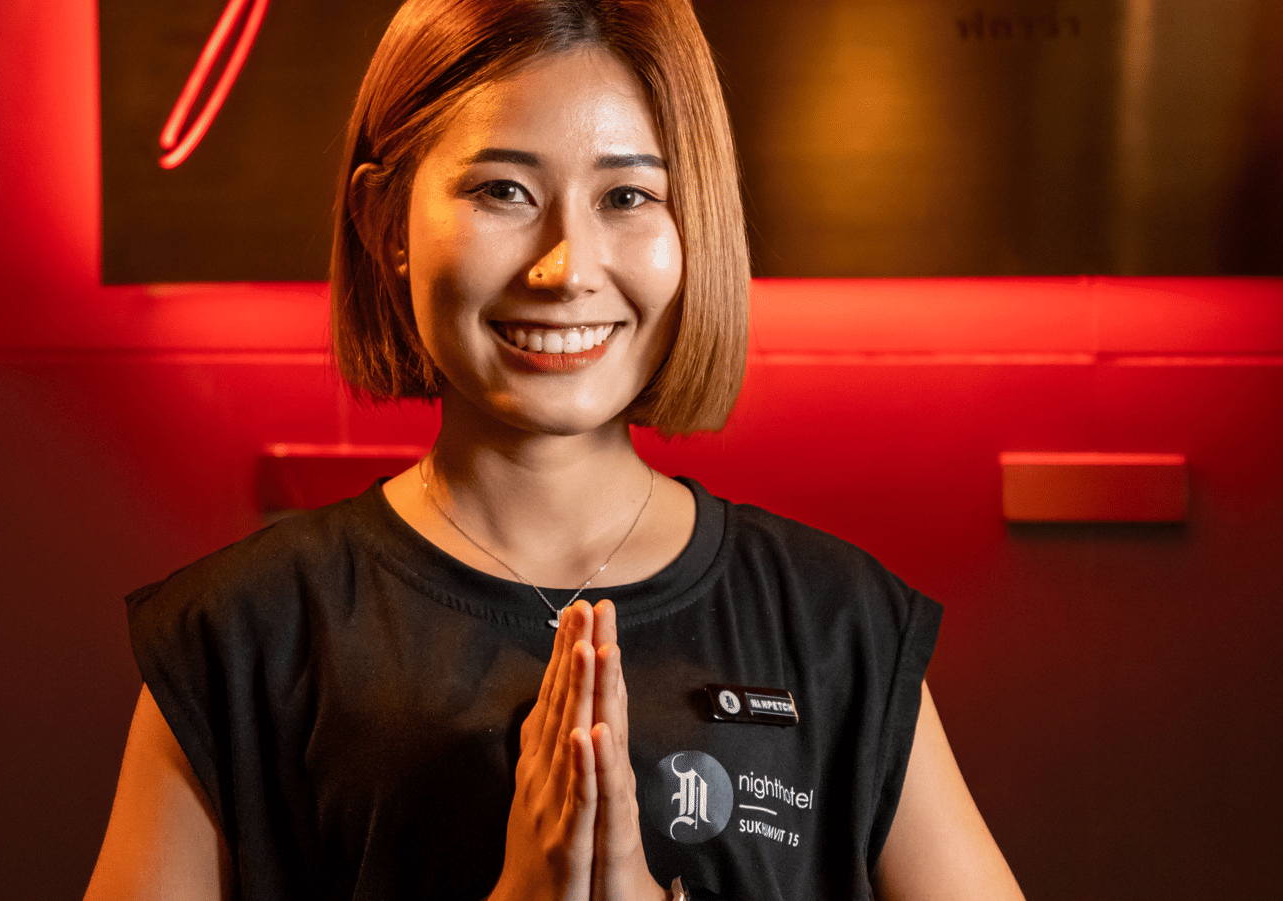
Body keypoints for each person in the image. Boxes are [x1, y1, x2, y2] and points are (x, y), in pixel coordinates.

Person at [85, 1, 1026, 898]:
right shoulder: (236, 640)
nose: (566, 266)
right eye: (503, 190)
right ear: (385, 228)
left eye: (627, 194)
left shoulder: (841, 628)